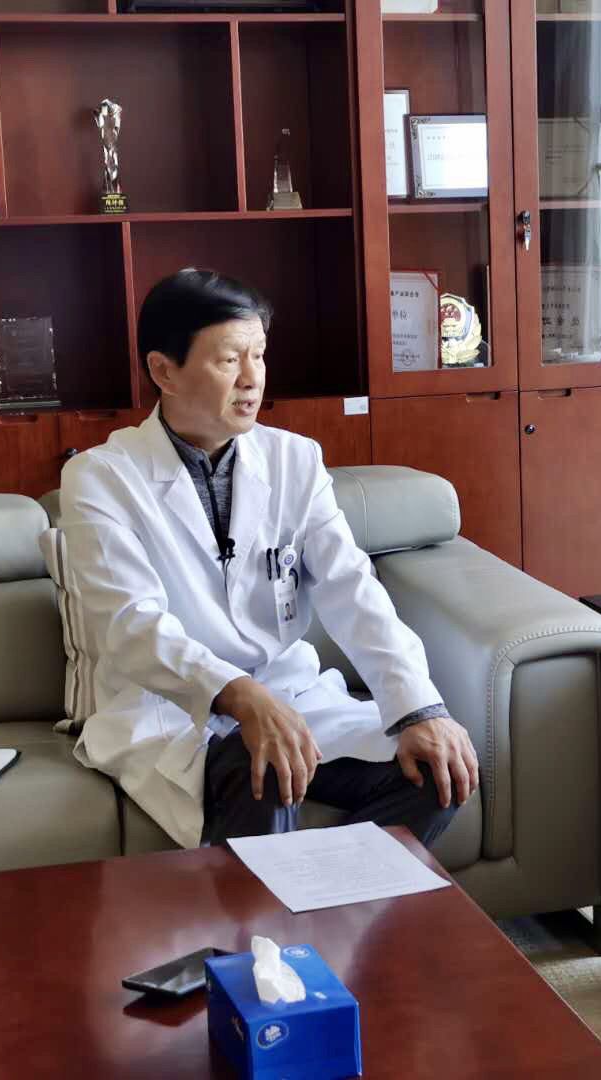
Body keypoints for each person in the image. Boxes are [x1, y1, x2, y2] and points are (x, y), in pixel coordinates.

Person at [58, 268, 479, 850]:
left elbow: (351, 588)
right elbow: (130, 624)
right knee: (266, 766)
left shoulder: (295, 460)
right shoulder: (102, 477)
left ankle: (323, 903)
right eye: (229, 360)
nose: (251, 378)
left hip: (289, 694)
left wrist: (417, 708)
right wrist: (239, 695)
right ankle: (281, 910)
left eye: (258, 355)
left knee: (436, 771)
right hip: (171, 708)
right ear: (163, 370)